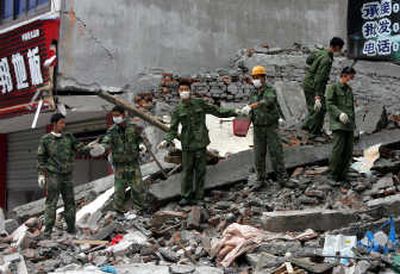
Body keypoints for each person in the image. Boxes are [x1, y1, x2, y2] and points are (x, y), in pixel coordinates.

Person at [158, 79, 240, 206]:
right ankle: (186, 196)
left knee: (200, 171)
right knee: (187, 172)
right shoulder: (177, 110)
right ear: (178, 92)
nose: (184, 92)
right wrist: (166, 140)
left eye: (186, 90)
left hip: (200, 143)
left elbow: (217, 112)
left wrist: (235, 112)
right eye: (181, 90)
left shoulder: (199, 104)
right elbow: (173, 129)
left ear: (190, 91)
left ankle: (199, 197)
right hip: (187, 145)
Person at [37, 113, 90, 237]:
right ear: (54, 124)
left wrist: (92, 148)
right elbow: (41, 158)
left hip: (67, 175)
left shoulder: (69, 137)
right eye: (61, 123)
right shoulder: (46, 139)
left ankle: (71, 228)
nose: (63, 125)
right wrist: (41, 174)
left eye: (64, 123)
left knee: (70, 202)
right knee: (51, 203)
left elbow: (80, 148)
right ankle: (47, 231)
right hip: (53, 176)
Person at [91, 106, 148, 213]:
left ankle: (139, 209)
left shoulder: (133, 127)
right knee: (119, 189)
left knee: (138, 187)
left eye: (117, 115)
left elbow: (141, 139)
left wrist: (141, 145)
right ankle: (118, 210)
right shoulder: (112, 131)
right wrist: (102, 148)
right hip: (119, 165)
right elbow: (106, 142)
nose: (115, 118)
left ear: (123, 115)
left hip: (133, 163)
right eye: (114, 116)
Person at [241, 65, 291, 187]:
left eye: (258, 77)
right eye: (254, 77)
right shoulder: (253, 92)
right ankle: (260, 179)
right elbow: (251, 108)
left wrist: (252, 106)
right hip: (258, 126)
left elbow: (268, 100)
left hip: (270, 127)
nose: (256, 79)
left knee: (276, 152)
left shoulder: (270, 90)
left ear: (264, 78)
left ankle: (282, 178)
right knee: (258, 154)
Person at [302, 37, 345, 136]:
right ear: (337, 47)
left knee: (313, 108)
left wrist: (315, 66)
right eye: (341, 48)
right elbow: (320, 78)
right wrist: (318, 95)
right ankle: (314, 133)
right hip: (314, 85)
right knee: (319, 109)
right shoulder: (327, 60)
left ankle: (307, 127)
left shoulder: (320, 52)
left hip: (308, 82)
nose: (341, 51)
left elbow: (308, 60)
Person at [326, 66, 356, 184]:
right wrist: (339, 114)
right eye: (350, 77)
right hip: (338, 124)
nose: (351, 79)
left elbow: (351, 109)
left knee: (348, 150)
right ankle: (333, 175)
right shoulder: (333, 87)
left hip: (349, 125)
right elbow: (329, 103)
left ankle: (343, 174)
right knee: (337, 150)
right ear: (344, 75)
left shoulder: (349, 90)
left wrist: (354, 125)